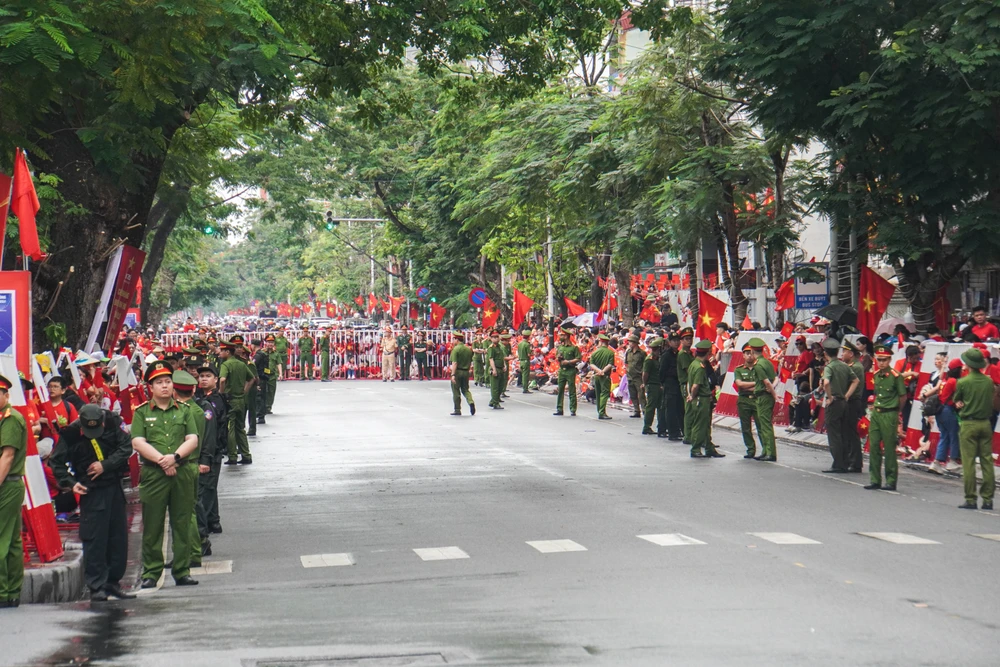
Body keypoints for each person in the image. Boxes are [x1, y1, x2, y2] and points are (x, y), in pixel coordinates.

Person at [51, 404, 136, 601]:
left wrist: (105, 465)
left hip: (114, 487)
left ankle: (113, 582)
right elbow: (56, 462)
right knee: (95, 539)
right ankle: (96, 585)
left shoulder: (113, 422)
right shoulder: (71, 434)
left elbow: (126, 447)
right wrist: (71, 484)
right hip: (91, 490)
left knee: (118, 537)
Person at [130, 361, 200, 588]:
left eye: (167, 382)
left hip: (181, 472)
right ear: (150, 387)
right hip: (154, 475)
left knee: (182, 522)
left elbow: (192, 439)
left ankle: (182, 570)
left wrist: (175, 458)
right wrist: (162, 460)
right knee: (153, 524)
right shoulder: (141, 412)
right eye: (159, 383)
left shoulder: (185, 410)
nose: (164, 386)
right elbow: (138, 441)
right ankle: (151, 572)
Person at [170, 370, 214, 566]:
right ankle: (194, 548)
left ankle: (194, 547)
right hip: (190, 462)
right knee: (192, 508)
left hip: (186, 463)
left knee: (187, 511)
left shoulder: (188, 411)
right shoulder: (195, 408)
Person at [953, 348, 996, 510]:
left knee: (969, 462)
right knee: (986, 461)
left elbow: (957, 400)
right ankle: (987, 499)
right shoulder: (988, 381)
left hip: (969, 423)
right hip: (985, 423)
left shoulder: (963, 382)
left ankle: (971, 498)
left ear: (968, 364)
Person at [0, 375, 27, 607]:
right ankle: (11, 592)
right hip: (7, 483)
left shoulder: (10, 418)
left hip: (6, 483)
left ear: (6, 395)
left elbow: (7, 457)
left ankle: (4, 591)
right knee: (11, 540)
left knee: (2, 539)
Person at [865, 345, 907, 491]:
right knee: (874, 445)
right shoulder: (876, 375)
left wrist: (897, 412)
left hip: (889, 413)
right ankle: (875, 479)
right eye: (879, 360)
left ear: (889, 360)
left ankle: (890, 480)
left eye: (884, 360)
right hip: (877, 413)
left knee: (889, 448)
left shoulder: (896, 376)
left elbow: (903, 396)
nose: (881, 363)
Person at [196, 362, 228, 534]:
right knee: (210, 487)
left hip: (212, 450)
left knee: (206, 490)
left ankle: (204, 528)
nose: (204, 379)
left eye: (208, 376)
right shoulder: (204, 398)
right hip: (210, 450)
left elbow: (212, 429)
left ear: (216, 379)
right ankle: (214, 521)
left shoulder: (213, 401)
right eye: (201, 376)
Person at [821, 337, 858, 474]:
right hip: (843, 402)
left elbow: (825, 383)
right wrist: (847, 395)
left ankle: (838, 463)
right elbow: (855, 381)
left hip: (834, 402)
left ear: (825, 353)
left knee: (834, 434)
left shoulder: (829, 367)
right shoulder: (844, 366)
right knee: (843, 433)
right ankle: (845, 461)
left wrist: (830, 397)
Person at [687, 340, 724, 458]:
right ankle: (696, 449)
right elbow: (695, 385)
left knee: (706, 425)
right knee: (700, 425)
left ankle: (709, 448)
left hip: (701, 398)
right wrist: (692, 396)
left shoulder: (694, 364)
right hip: (701, 399)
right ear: (708, 353)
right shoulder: (699, 367)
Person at [219, 340, 252, 465]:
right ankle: (246, 454)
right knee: (241, 428)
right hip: (240, 399)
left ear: (228, 352)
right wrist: (244, 391)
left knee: (230, 429)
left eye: (222, 350)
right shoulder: (242, 364)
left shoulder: (226, 365)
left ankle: (232, 455)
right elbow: (252, 379)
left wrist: (221, 394)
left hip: (230, 400)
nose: (220, 353)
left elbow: (222, 380)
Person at [746, 337, 778, 461]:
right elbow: (775, 378)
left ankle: (770, 452)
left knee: (765, 425)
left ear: (753, 352)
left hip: (763, 397)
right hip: (766, 395)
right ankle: (766, 451)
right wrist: (772, 389)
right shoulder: (768, 362)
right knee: (764, 424)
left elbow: (766, 382)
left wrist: (772, 392)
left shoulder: (758, 365)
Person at [928, 358, 962, 475]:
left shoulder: (945, 380)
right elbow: (958, 396)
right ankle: (952, 460)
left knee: (944, 435)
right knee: (954, 434)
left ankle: (937, 462)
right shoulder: (953, 381)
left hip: (940, 411)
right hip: (948, 410)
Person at [841, 340, 866, 472]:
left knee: (851, 433)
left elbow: (847, 384)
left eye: (844, 352)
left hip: (852, 401)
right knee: (847, 431)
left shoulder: (855, 367)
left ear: (850, 354)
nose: (842, 354)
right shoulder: (852, 366)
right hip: (849, 401)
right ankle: (851, 460)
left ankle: (855, 462)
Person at [733, 343, 761, 458]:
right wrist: (757, 383)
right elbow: (740, 384)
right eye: (747, 353)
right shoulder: (739, 370)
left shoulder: (759, 368)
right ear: (743, 355)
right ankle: (750, 449)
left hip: (757, 399)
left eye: (751, 353)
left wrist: (749, 386)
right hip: (744, 400)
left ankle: (766, 449)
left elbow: (765, 384)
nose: (750, 356)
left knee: (761, 426)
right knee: (746, 427)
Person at [659, 332, 684, 440]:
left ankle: (679, 431)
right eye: (674, 340)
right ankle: (672, 432)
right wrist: (663, 384)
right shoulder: (666, 355)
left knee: (679, 408)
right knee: (670, 409)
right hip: (670, 383)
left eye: (678, 340)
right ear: (669, 342)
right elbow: (662, 371)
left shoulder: (678, 354)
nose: (676, 342)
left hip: (677, 384)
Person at [553, 328, 581, 416]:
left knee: (572, 390)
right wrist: (558, 358)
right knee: (560, 389)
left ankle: (573, 409)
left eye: (561, 335)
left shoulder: (574, 347)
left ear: (566, 336)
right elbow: (556, 357)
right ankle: (559, 408)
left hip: (570, 370)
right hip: (562, 370)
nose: (560, 336)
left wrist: (568, 362)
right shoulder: (560, 347)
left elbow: (578, 358)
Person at [449, 332, 476, 416]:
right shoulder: (468, 349)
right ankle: (470, 401)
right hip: (466, 371)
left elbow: (454, 363)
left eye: (453, 339)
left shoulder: (456, 349)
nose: (453, 341)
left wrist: (453, 375)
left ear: (456, 339)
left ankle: (457, 409)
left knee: (456, 391)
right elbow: (471, 360)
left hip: (457, 372)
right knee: (465, 389)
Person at [590, 334, 616, 420]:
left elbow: (591, 364)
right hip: (605, 376)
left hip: (596, 375)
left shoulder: (595, 352)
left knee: (598, 393)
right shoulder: (611, 353)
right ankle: (602, 412)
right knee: (604, 393)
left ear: (601, 342)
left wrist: (598, 371)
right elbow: (610, 364)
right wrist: (602, 371)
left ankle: (599, 410)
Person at [641, 338, 663, 435]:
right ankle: (647, 426)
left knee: (660, 406)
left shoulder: (657, 359)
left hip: (658, 385)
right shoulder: (649, 360)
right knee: (651, 406)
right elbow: (645, 374)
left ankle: (660, 426)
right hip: (652, 385)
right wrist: (645, 384)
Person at [677, 328, 694, 443]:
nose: (689, 341)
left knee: (692, 410)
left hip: (691, 383)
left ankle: (691, 434)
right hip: (686, 384)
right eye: (686, 339)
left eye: (690, 338)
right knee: (689, 411)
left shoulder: (690, 353)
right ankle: (688, 435)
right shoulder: (683, 354)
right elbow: (689, 371)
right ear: (681, 341)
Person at [624, 334, 646, 419]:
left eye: (631, 342)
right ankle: (636, 410)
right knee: (633, 395)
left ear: (635, 343)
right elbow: (626, 362)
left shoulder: (642, 353)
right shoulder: (628, 352)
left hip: (638, 376)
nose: (629, 344)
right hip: (630, 376)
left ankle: (644, 410)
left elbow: (645, 364)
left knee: (641, 395)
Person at [487, 331, 505, 410]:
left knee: (501, 386)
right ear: (491, 338)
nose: (496, 339)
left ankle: (493, 401)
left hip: (501, 368)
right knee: (495, 387)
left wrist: (504, 365)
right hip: (496, 368)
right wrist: (494, 369)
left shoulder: (499, 347)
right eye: (494, 337)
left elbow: (502, 357)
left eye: (497, 337)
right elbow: (491, 359)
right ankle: (495, 403)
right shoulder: (491, 348)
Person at [253, 343, 269, 423]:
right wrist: (266, 375)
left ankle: (259, 415)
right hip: (264, 378)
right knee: (263, 397)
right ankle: (262, 415)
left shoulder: (257, 356)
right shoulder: (264, 355)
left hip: (259, 378)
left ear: (254, 345)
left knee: (259, 398)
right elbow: (267, 368)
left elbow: (253, 366)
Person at [265, 335, 279, 414]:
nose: (270, 344)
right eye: (269, 342)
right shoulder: (262, 352)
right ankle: (263, 407)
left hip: (272, 375)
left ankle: (268, 407)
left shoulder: (276, 354)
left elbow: (279, 363)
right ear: (266, 343)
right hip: (264, 375)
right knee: (264, 392)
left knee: (271, 392)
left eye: (272, 342)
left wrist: (280, 374)